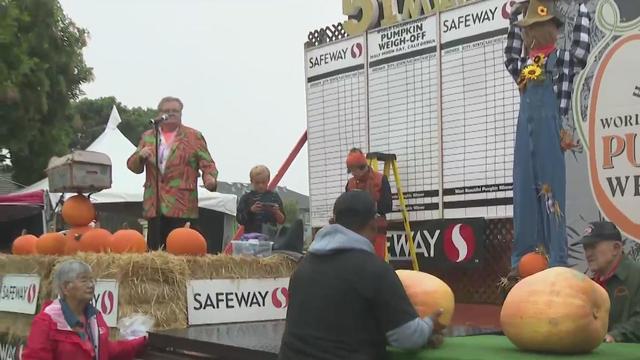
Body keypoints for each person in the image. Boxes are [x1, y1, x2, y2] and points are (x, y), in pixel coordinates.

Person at [279, 191, 443, 360]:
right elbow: (408, 339)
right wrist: (429, 325)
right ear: (373, 224)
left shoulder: (302, 268)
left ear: (334, 222)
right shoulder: (376, 270)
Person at [504, 1, 591, 273]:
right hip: (524, 136)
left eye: (537, 27)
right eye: (528, 29)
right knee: (524, 191)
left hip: (550, 133)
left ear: (552, 29)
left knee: (551, 192)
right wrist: (514, 16)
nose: (533, 34)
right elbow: (509, 56)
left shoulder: (562, 59)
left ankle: (556, 261)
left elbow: (581, 50)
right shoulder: (523, 66)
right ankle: (525, 259)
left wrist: (583, 9)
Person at [127, 96, 218, 250]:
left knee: (180, 249)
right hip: (155, 203)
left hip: (182, 204)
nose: (171, 114)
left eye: (175, 111)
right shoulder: (149, 136)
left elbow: (208, 164)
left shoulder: (194, 136)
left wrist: (210, 178)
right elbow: (133, 166)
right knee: (156, 252)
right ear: (159, 114)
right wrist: (140, 156)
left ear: (181, 113)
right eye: (167, 111)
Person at [22, 260, 147, 359]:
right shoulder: (46, 322)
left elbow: (105, 349)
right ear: (65, 287)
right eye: (84, 280)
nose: (91, 284)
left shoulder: (95, 317)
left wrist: (139, 341)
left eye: (92, 280)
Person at [578, 221, 640, 343]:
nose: (588, 253)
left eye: (593, 246)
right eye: (586, 248)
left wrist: (614, 336)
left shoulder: (637, 276)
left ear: (616, 248)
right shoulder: (589, 285)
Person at [344, 148, 392, 259]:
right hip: (355, 234)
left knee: (376, 264)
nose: (352, 174)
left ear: (361, 167)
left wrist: (367, 205)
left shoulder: (380, 180)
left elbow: (387, 206)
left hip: (376, 233)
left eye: (352, 170)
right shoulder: (350, 184)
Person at [236, 165, 286, 235]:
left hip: (270, 238)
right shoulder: (246, 198)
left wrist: (277, 212)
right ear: (251, 181)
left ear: (268, 180)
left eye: (263, 182)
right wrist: (251, 211)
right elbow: (239, 219)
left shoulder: (274, 197)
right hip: (251, 238)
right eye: (257, 183)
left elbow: (282, 220)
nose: (260, 185)